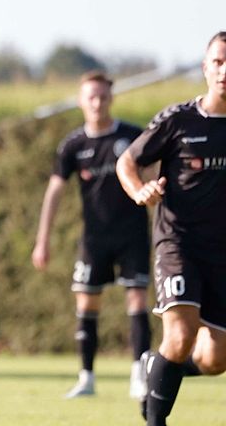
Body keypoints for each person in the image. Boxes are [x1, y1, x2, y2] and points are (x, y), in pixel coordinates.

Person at [116, 32, 226, 426]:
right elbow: (128, 161)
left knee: (215, 360)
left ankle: (155, 366)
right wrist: (138, 191)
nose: (224, 70)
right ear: (205, 67)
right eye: (217, 62)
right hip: (176, 243)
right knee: (179, 335)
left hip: (222, 253)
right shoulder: (179, 120)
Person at [31, 71, 152, 400]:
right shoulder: (73, 145)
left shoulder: (131, 137)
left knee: (137, 300)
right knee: (86, 303)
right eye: (91, 97)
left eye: (102, 96)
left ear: (111, 98)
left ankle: (138, 373)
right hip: (95, 238)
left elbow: (156, 173)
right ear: (81, 101)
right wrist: (43, 240)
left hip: (132, 235)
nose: (97, 102)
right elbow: (55, 191)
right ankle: (86, 377)